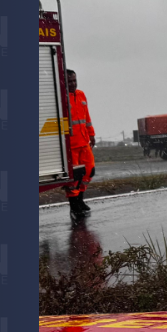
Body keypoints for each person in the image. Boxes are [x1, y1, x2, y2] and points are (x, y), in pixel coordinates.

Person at [64, 70, 96, 222]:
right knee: (73, 178)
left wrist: (91, 134)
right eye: (69, 81)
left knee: (89, 171)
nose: (73, 83)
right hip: (71, 145)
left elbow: (86, 117)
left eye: (74, 80)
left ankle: (81, 199)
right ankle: (74, 205)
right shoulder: (61, 98)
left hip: (84, 142)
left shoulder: (81, 95)